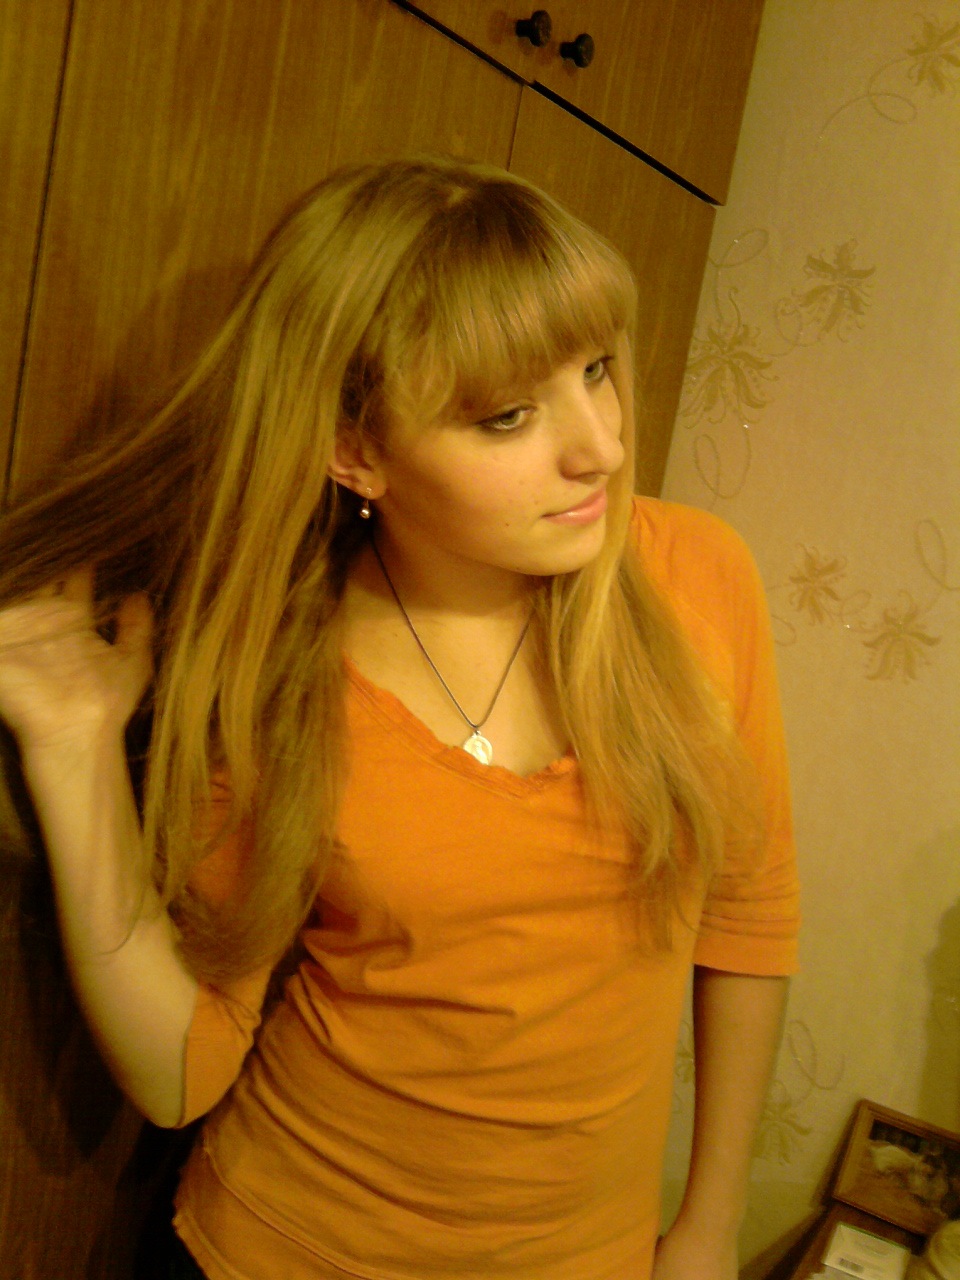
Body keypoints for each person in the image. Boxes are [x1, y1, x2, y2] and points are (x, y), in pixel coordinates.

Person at [0, 156, 799, 1280]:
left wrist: (708, 1228)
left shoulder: (698, 579)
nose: (602, 448)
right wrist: (73, 746)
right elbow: (184, 1071)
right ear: (356, 451)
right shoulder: (284, 681)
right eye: (509, 415)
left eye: (596, 370)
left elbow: (749, 915)